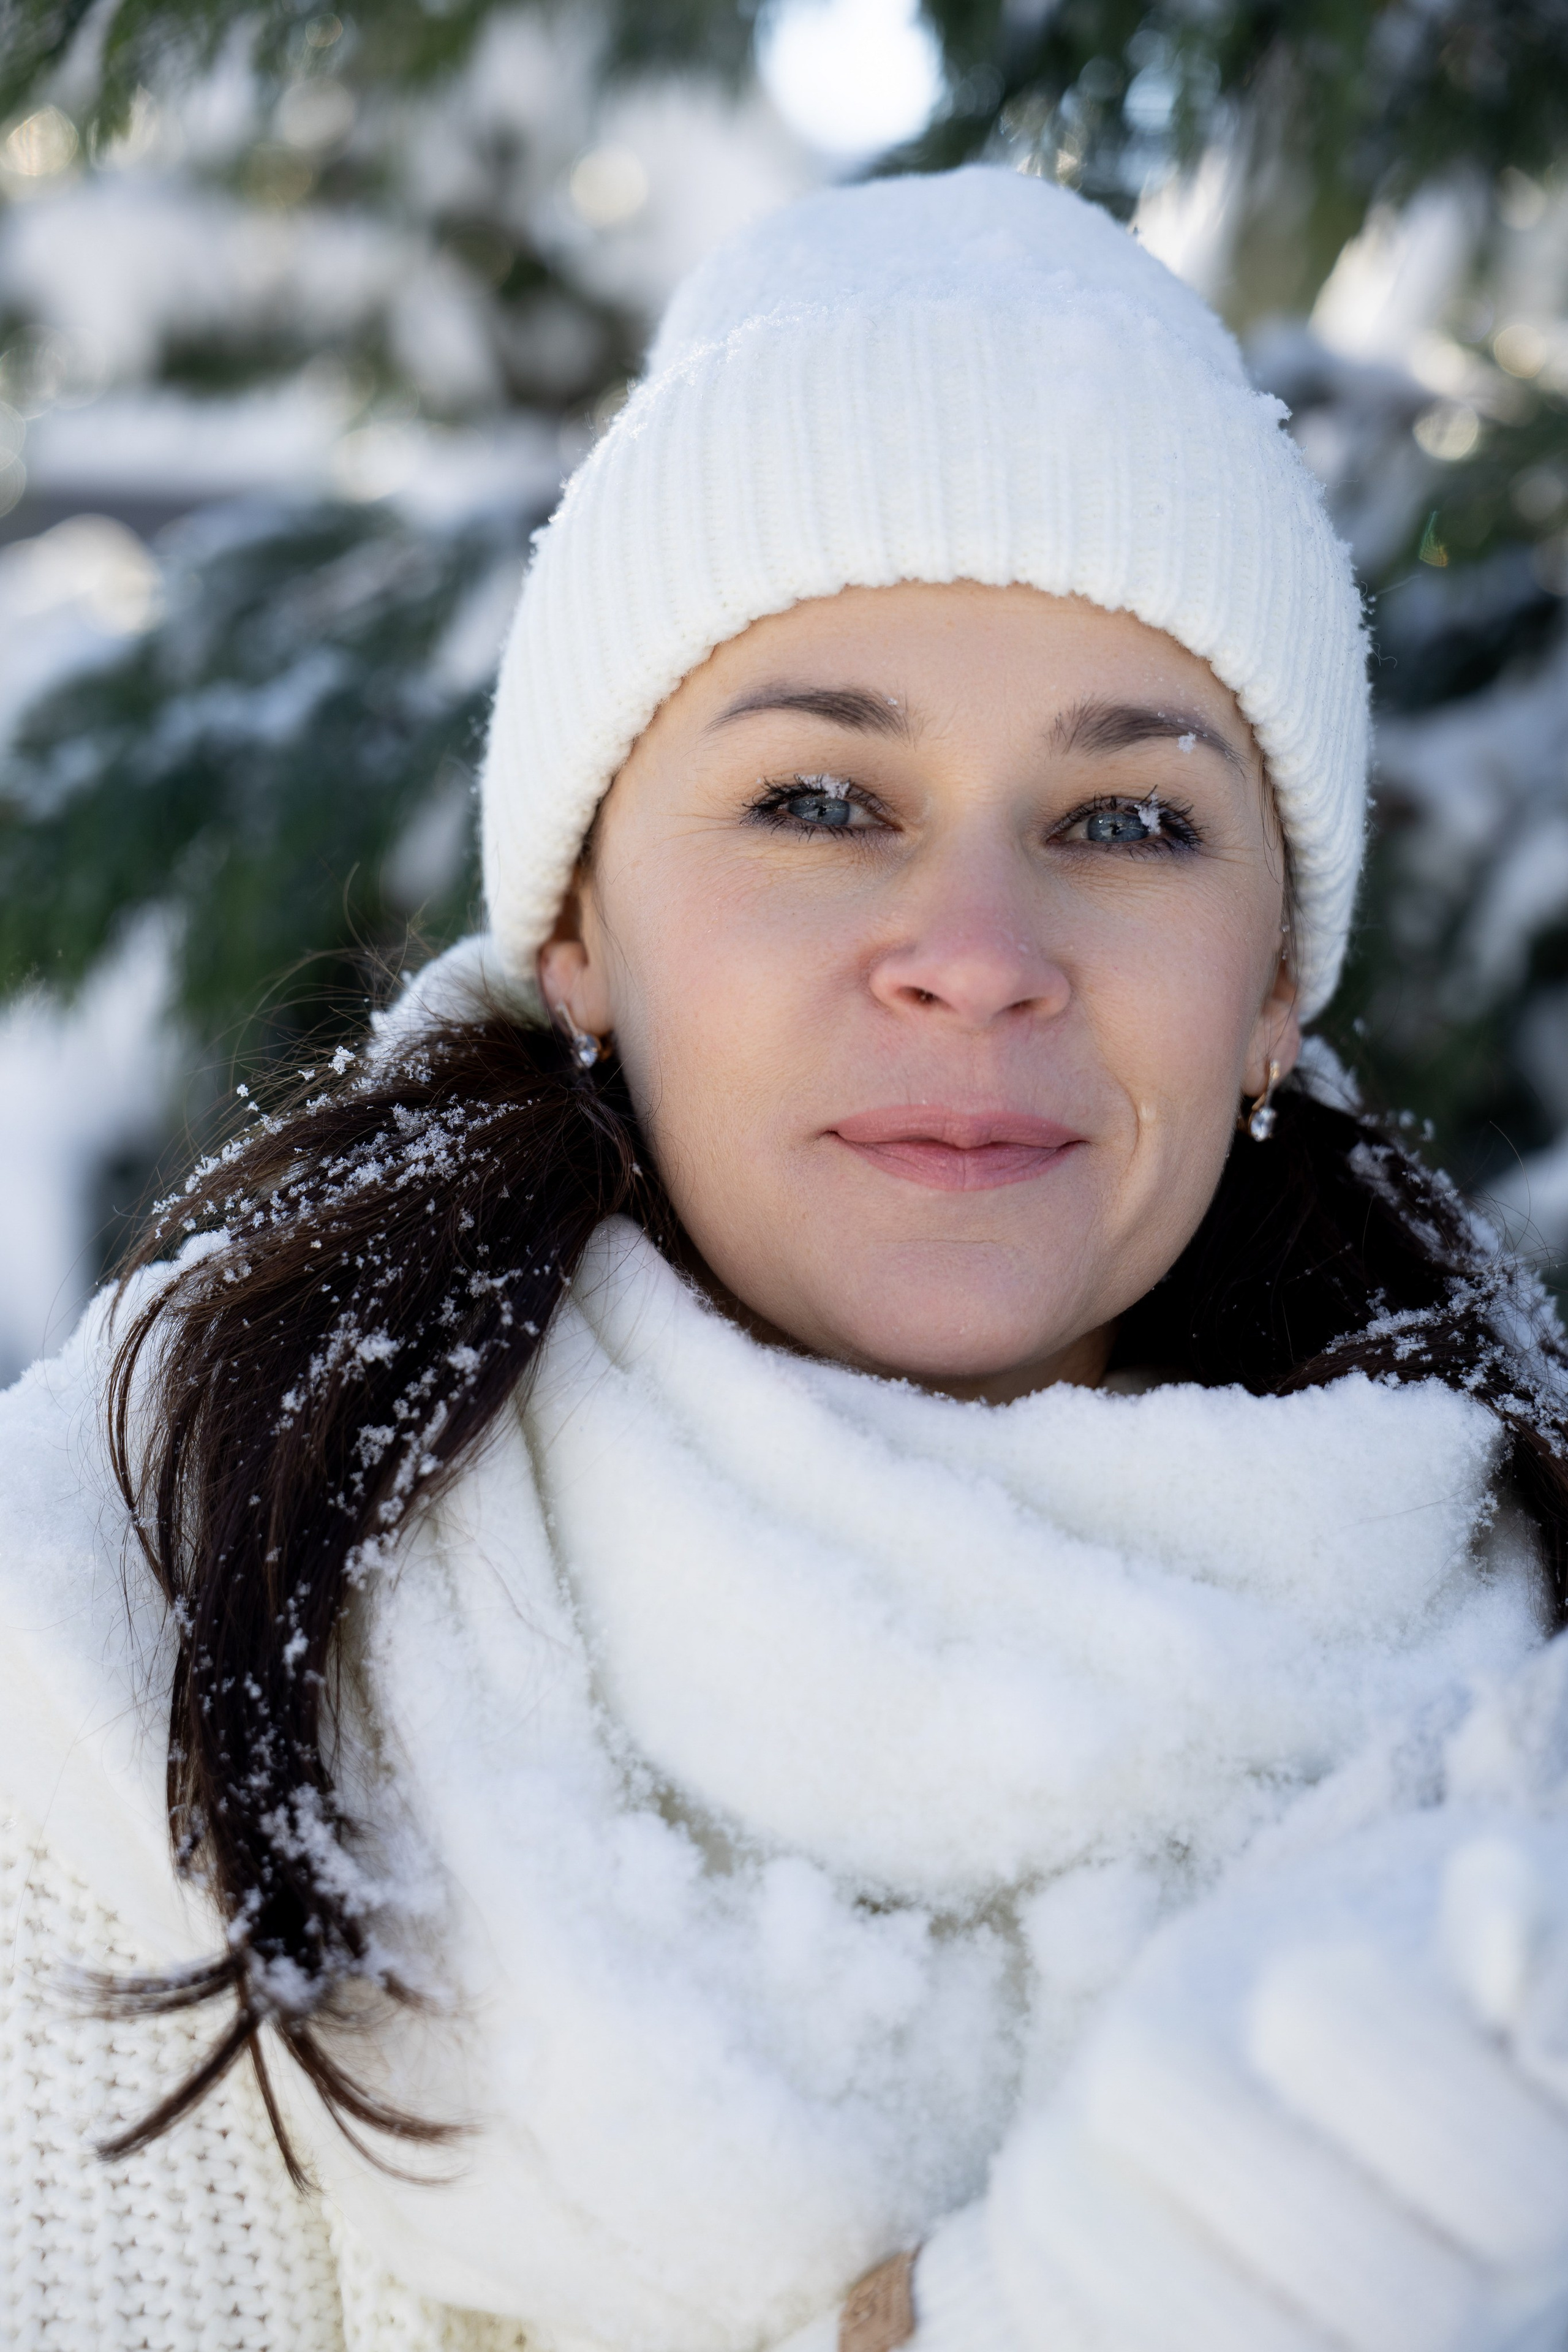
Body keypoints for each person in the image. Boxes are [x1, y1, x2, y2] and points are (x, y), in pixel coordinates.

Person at [4, 165, 1568, 2352]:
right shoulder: (125, 1636)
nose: (977, 958)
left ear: (1277, 988)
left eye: (1130, 820)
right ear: (577, 924)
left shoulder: (1516, 1713)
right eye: (820, 801)